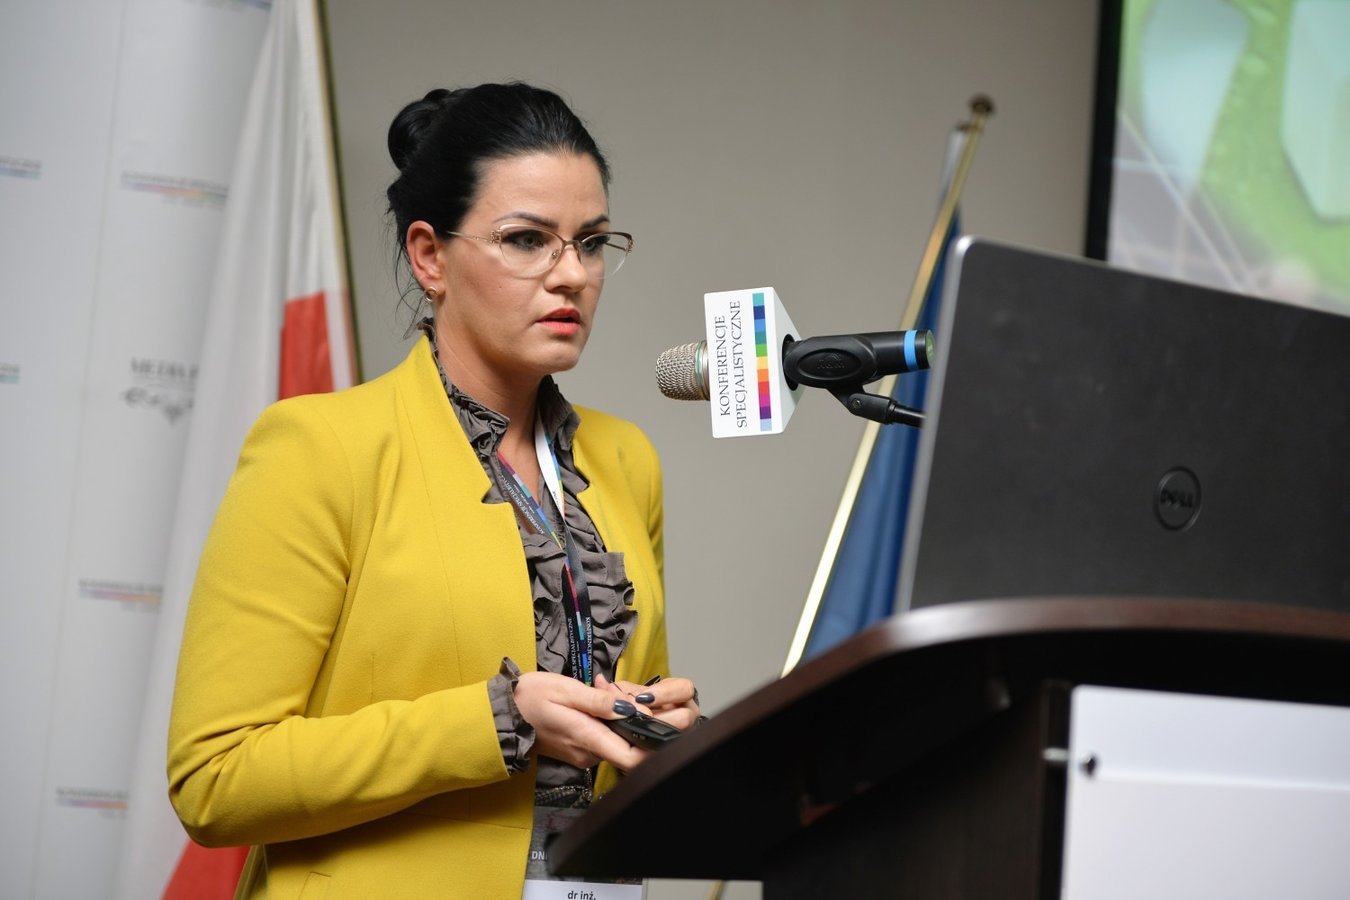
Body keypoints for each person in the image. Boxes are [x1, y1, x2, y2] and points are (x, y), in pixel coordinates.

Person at [168, 82, 700, 899]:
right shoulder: (320, 449)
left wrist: (661, 731)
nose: (572, 275)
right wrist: (499, 720)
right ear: (430, 257)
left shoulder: (627, 458)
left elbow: (617, 746)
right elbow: (215, 776)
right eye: (527, 240)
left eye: (591, 243)